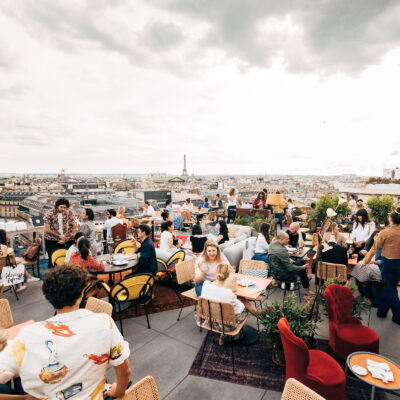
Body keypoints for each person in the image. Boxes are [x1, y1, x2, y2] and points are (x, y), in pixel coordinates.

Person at [0, 265, 131, 399]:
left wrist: (23, 398)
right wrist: (118, 392)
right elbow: (124, 371)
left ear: (49, 297)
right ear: (81, 292)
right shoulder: (103, 322)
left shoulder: (27, 336)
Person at [201, 264, 259, 345]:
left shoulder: (205, 285)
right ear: (229, 276)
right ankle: (228, 336)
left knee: (226, 310)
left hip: (210, 322)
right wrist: (241, 300)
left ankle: (224, 336)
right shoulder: (228, 293)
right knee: (246, 304)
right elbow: (240, 309)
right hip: (228, 327)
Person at [361, 207, 400, 324]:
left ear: (391, 220)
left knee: (391, 289)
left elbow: (374, 248)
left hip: (388, 264)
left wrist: (365, 261)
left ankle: (398, 316)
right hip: (399, 265)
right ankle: (382, 312)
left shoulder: (385, 232)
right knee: (390, 287)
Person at [351, 231, 382, 304]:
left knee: (360, 267)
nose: (378, 237)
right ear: (373, 237)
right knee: (359, 265)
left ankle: (364, 294)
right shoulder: (369, 244)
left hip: (377, 266)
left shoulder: (383, 247)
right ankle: (364, 294)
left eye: (379, 235)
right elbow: (360, 252)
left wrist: (373, 262)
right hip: (367, 264)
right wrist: (362, 252)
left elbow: (384, 261)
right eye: (376, 235)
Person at [44, 198, 77, 268]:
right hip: (51, 240)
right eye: (61, 207)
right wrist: (59, 236)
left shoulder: (69, 212)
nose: (63, 209)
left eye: (65, 207)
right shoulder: (49, 213)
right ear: (57, 206)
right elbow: (46, 229)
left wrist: (65, 238)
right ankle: (50, 276)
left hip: (63, 240)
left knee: (63, 259)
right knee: (52, 259)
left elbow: (73, 225)